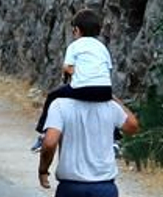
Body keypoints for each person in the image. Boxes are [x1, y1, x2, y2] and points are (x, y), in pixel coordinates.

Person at [31, 9, 115, 151]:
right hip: (105, 89)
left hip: (82, 87)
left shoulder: (75, 46)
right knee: (110, 107)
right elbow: (108, 68)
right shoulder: (102, 48)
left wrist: (77, 73)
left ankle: (43, 133)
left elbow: (68, 67)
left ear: (76, 30)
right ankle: (114, 139)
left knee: (53, 96)